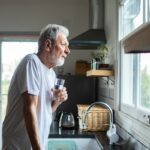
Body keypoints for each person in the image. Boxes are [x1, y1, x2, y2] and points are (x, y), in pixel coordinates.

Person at [2, 24, 70, 150]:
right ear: (48, 45)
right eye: (63, 44)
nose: (67, 50)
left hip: (35, 145)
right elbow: (30, 109)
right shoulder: (32, 62)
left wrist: (58, 100)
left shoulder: (51, 74)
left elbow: (46, 111)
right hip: (18, 146)